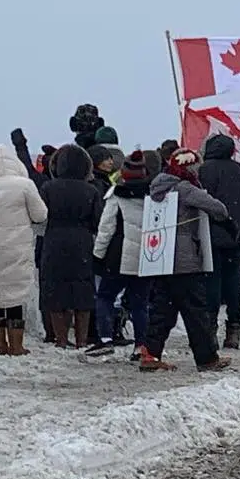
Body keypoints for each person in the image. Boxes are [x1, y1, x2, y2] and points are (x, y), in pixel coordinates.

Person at [139, 149, 230, 372]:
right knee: (196, 309)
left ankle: (150, 353)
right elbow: (218, 209)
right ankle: (207, 358)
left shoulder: (157, 188)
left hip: (161, 255)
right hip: (184, 258)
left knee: (163, 308)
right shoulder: (184, 189)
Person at [0, 143, 48, 357]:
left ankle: (0, 345)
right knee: (14, 297)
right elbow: (40, 214)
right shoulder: (24, 185)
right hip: (17, 246)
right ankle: (17, 346)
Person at [198, 133, 240, 351]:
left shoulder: (203, 171)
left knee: (211, 282)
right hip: (236, 234)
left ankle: (209, 329)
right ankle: (234, 328)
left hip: (209, 234)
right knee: (233, 282)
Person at [91, 149, 155, 358]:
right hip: (146, 255)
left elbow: (106, 229)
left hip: (117, 256)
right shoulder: (153, 196)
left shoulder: (116, 196)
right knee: (140, 303)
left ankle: (106, 338)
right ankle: (141, 345)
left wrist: (97, 255)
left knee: (105, 296)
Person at [38, 144, 102, 349]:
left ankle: (61, 339)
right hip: (82, 242)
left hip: (54, 240)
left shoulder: (48, 187)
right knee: (82, 288)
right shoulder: (91, 190)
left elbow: (40, 217)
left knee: (55, 289)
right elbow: (97, 221)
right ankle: (82, 339)